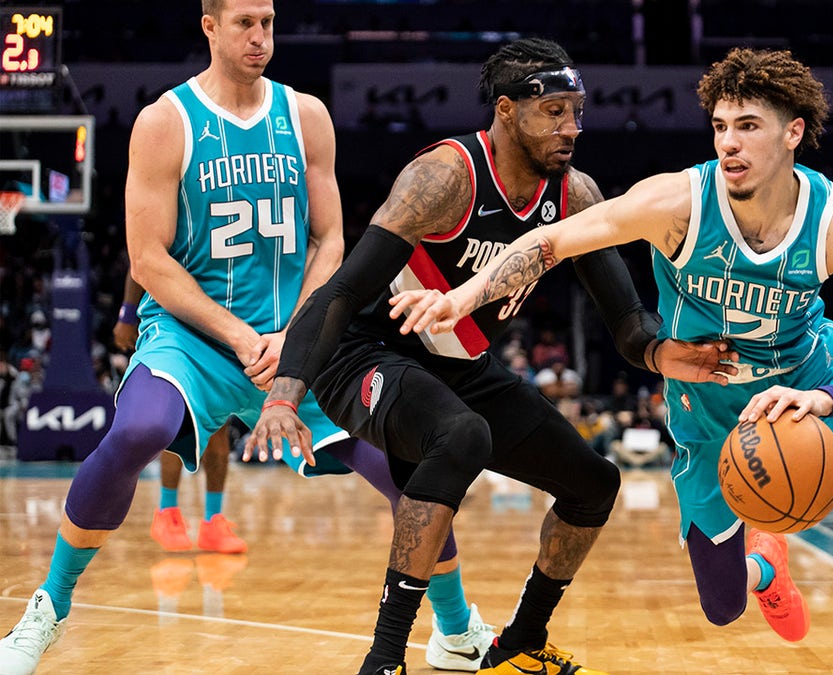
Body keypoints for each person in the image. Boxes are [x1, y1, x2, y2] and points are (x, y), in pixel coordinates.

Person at [390, 47, 833, 674]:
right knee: (722, 608)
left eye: (748, 126)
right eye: (721, 126)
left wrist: (824, 399)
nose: (730, 142)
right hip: (709, 411)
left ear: (793, 132)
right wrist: (464, 297)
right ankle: (763, 562)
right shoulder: (678, 203)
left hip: (809, 390)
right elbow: (552, 241)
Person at [0, 4, 491, 673]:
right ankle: (47, 610)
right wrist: (239, 335)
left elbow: (332, 239)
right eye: (244, 24)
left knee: (410, 468)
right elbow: (148, 260)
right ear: (207, 25)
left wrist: (295, 332)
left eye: (267, 21)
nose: (260, 37)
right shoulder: (163, 122)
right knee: (139, 428)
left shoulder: (306, 116)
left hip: (299, 336)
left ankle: (457, 629)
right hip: (196, 335)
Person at [246, 38, 735, 675]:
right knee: (462, 436)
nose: (571, 128)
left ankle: (519, 642)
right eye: (553, 112)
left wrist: (661, 353)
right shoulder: (446, 177)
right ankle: (385, 657)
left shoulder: (575, 194)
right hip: (365, 353)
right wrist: (286, 391)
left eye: (576, 111)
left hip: (457, 363)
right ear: (506, 112)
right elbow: (343, 288)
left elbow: (624, 314)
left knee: (594, 484)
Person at [114, 270, 246, 554]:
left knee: (219, 425)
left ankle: (213, 520)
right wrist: (127, 313)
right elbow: (140, 261)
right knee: (176, 422)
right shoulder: (174, 225)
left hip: (223, 319)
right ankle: (167, 512)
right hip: (175, 324)